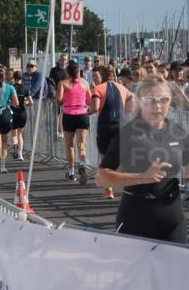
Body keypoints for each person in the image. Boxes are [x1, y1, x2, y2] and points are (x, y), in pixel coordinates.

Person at [96, 76, 188, 244]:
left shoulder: (179, 132)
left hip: (172, 218)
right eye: (151, 100)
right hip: (135, 218)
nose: (158, 106)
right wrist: (143, 177)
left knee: (176, 269)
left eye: (164, 100)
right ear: (140, 101)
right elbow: (102, 177)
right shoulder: (128, 133)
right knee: (134, 270)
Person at [89, 65, 133, 198]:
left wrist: (88, 110)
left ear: (102, 75)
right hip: (121, 125)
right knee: (123, 157)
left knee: (105, 157)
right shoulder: (123, 88)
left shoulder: (98, 88)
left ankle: (109, 190)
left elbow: (95, 108)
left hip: (105, 126)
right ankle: (130, 188)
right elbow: (130, 105)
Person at [56, 60, 92, 183]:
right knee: (82, 144)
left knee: (69, 145)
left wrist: (66, 99)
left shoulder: (63, 83)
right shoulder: (85, 83)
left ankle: (71, 172)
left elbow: (59, 100)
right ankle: (82, 164)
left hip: (69, 115)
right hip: (82, 114)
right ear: (79, 72)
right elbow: (89, 100)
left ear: (68, 72)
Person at [9, 70, 32, 160]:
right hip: (22, 113)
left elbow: (8, 101)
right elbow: (31, 102)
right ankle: (20, 154)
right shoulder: (25, 88)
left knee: (14, 133)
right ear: (21, 78)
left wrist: (12, 104)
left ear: (13, 78)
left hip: (13, 112)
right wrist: (25, 103)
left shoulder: (10, 87)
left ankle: (15, 147)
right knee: (20, 134)